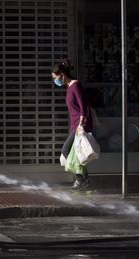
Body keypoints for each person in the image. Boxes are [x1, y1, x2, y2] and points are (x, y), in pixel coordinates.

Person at [51, 59, 92, 191]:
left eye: (55, 78)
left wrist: (81, 125)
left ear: (62, 75)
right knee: (77, 154)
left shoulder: (76, 85)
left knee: (65, 151)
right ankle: (84, 181)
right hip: (74, 126)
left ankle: (81, 180)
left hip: (79, 126)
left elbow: (83, 106)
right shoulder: (69, 88)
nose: (55, 81)